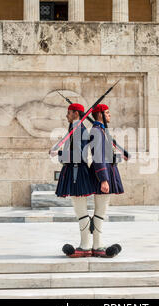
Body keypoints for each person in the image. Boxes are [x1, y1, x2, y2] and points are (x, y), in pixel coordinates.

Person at [52, 103, 95, 258]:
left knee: (80, 210)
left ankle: (85, 246)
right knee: (80, 209)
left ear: (76, 113)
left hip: (77, 170)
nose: (66, 116)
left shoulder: (79, 130)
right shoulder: (75, 128)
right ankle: (87, 244)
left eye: (68, 113)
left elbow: (80, 156)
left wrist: (59, 155)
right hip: (75, 169)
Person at [88, 104, 124, 257]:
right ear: (101, 115)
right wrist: (104, 179)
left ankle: (97, 243)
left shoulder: (101, 130)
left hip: (108, 172)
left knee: (102, 210)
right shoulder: (97, 131)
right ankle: (97, 245)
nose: (110, 115)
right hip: (103, 174)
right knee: (100, 211)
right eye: (107, 113)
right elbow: (98, 157)